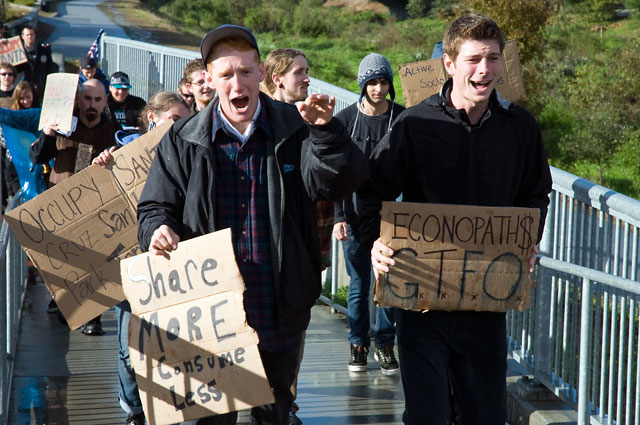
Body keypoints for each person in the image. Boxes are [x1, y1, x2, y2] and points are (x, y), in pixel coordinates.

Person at [137, 24, 368, 425]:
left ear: (262, 73)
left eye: (245, 71)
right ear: (207, 80)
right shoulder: (181, 139)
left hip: (278, 303)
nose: (237, 83)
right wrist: (157, 228)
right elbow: (155, 206)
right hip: (211, 308)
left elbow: (335, 182)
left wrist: (327, 133)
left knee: (274, 415)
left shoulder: (296, 128)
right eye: (226, 74)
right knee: (213, 418)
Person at [358, 14, 553, 424]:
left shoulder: (521, 128)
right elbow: (372, 191)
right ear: (449, 64)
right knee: (427, 414)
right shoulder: (414, 123)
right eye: (473, 59)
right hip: (420, 300)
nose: (485, 70)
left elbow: (536, 193)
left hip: (485, 305)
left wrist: (526, 238)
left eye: (493, 58)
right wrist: (376, 241)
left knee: (484, 414)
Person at [92, 91, 190, 425]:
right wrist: (103, 168)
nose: (180, 126)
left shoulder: (187, 153)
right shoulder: (123, 152)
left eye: (184, 120)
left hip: (166, 262)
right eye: (174, 119)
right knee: (127, 345)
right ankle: (133, 407)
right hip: (129, 262)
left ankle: (163, 406)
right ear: (153, 117)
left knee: (165, 342)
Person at [333, 53, 405, 376]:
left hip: (391, 219)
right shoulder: (346, 120)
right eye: (372, 82)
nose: (378, 88)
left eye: (383, 81)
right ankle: (357, 343)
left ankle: (385, 343)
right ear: (362, 85)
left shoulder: (402, 119)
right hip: (352, 215)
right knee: (360, 283)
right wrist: (337, 217)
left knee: (387, 279)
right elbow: (333, 172)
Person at [29, 78, 118, 336]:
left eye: (97, 100)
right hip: (60, 207)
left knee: (95, 262)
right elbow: (36, 157)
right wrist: (47, 134)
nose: (92, 105)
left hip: (96, 207)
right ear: (79, 99)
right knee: (62, 259)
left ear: (105, 101)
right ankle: (62, 301)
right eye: (87, 99)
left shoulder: (113, 131)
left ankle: (94, 317)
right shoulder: (61, 125)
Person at [15, 25, 56, 102]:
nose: (29, 37)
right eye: (27, 35)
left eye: (31, 35)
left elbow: (50, 69)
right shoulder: (17, 51)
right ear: (22, 36)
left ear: (35, 36)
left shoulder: (44, 50)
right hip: (22, 86)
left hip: (39, 87)